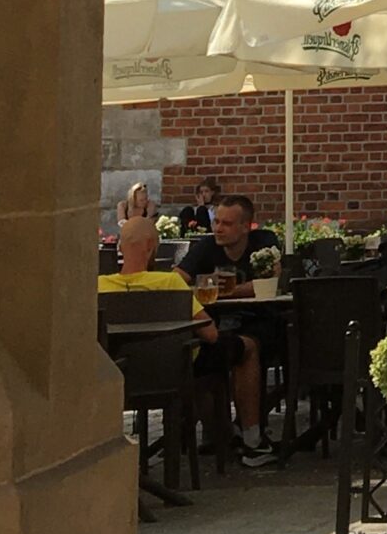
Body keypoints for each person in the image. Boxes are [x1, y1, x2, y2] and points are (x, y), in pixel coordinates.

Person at [98, 217, 276, 464]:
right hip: (172, 374)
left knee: (204, 358)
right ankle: (252, 440)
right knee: (242, 347)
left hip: (121, 375)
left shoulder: (99, 287)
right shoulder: (170, 283)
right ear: (151, 246)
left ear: (120, 246)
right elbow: (210, 333)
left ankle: (216, 435)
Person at [177, 195, 282, 457]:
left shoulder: (264, 242)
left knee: (246, 347)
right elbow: (176, 280)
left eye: (226, 223)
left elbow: (270, 282)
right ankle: (221, 433)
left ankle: (251, 438)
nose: (218, 229)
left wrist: (222, 290)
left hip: (259, 320)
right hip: (216, 325)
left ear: (245, 226)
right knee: (198, 354)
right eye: (217, 222)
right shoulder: (205, 246)